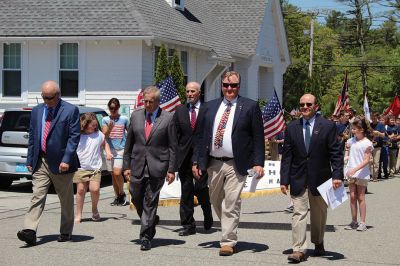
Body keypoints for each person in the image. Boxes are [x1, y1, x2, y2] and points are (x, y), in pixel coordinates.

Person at [193, 71, 265, 256]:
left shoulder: (249, 107)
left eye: (233, 85)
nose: (229, 89)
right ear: (221, 86)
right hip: (213, 163)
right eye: (226, 85)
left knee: (231, 202)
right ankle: (228, 228)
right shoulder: (209, 107)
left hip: (237, 163)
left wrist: (258, 162)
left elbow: (258, 137)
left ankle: (228, 241)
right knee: (215, 200)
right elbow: (200, 137)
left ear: (239, 86)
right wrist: (196, 161)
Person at [280, 93, 343, 263]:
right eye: (302, 105)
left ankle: (318, 241)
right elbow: (287, 156)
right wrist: (284, 180)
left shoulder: (328, 126)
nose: (305, 107)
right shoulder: (291, 127)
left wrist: (337, 175)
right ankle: (298, 249)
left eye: (308, 104)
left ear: (316, 106)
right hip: (298, 177)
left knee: (319, 214)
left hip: (321, 178)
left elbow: (336, 153)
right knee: (298, 213)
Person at [17, 80, 80, 246]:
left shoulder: (70, 110)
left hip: (61, 163)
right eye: (43, 97)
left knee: (65, 199)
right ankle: (29, 230)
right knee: (37, 195)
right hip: (40, 161)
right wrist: (31, 158)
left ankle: (66, 231)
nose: (46, 101)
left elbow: (74, 137)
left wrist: (67, 159)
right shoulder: (37, 111)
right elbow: (33, 136)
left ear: (58, 96)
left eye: (49, 97)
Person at [123, 86, 177, 251]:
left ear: (158, 102)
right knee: (137, 198)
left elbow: (173, 146)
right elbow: (129, 143)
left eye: (150, 102)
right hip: (137, 164)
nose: (146, 104)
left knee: (150, 201)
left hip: (158, 165)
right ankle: (151, 221)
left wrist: (171, 169)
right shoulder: (136, 116)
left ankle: (146, 236)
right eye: (145, 101)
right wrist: (126, 165)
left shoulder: (168, 118)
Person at [173, 81, 213, 237]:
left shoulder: (207, 109)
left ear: (199, 93)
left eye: (192, 91)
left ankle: (207, 212)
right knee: (186, 191)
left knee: (201, 188)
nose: (189, 94)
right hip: (184, 157)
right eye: (187, 91)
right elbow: (176, 135)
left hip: (202, 156)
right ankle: (188, 225)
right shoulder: (180, 111)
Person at [73, 113, 113, 223]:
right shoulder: (77, 135)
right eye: (92, 125)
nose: (94, 127)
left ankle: (94, 209)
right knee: (80, 190)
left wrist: (108, 153)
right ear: (84, 125)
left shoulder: (99, 134)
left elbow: (105, 143)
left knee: (94, 189)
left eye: (96, 125)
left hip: (95, 167)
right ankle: (78, 214)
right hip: (81, 167)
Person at [344, 116, 373, 232]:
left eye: (355, 128)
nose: (352, 130)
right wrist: (346, 155)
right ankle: (354, 221)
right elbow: (348, 152)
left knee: (361, 197)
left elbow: (366, 160)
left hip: (361, 173)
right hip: (351, 172)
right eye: (352, 128)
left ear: (361, 129)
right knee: (352, 197)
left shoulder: (367, 143)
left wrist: (355, 169)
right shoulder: (351, 141)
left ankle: (363, 222)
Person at [102, 98, 129, 206]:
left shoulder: (124, 119)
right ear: (109, 108)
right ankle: (117, 196)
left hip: (121, 149)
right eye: (111, 108)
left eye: (115, 108)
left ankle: (122, 193)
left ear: (118, 107)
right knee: (113, 175)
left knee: (118, 173)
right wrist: (109, 128)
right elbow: (105, 135)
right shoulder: (105, 119)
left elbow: (130, 132)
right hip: (109, 150)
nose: (113, 110)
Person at [369, 113, 385, 181]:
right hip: (369, 145)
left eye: (375, 117)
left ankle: (375, 176)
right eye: (372, 117)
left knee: (376, 162)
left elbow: (383, 135)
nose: (373, 118)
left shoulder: (381, 125)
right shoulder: (370, 125)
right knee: (370, 162)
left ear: (377, 117)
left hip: (378, 146)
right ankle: (370, 175)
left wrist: (378, 133)